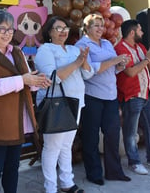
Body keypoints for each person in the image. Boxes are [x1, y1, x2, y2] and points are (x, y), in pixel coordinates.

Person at [0, 9, 51, 193]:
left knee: (12, 167)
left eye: (10, 30)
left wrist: (38, 82)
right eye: (2, 29)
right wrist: (23, 80)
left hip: (17, 120)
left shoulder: (17, 52)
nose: (7, 34)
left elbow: (27, 79)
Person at [34, 16, 94, 193]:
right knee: (52, 147)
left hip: (76, 103)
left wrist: (84, 61)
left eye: (65, 28)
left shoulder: (74, 49)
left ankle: (67, 183)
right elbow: (52, 78)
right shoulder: (45, 49)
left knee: (66, 145)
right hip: (57, 104)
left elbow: (88, 75)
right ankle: (50, 187)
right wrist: (76, 62)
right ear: (49, 32)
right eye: (58, 28)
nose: (63, 31)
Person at [74, 14, 131, 185]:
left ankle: (114, 171)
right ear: (87, 28)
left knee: (113, 135)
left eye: (101, 25)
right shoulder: (82, 45)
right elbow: (90, 70)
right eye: (96, 25)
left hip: (111, 96)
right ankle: (94, 173)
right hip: (92, 96)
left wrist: (120, 65)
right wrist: (114, 60)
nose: (100, 29)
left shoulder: (106, 43)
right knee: (91, 137)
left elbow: (113, 69)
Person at [114, 19, 150, 175]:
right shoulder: (120, 48)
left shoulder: (140, 46)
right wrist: (147, 58)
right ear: (132, 32)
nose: (143, 32)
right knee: (130, 132)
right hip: (132, 96)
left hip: (147, 92)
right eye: (140, 30)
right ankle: (134, 162)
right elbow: (131, 72)